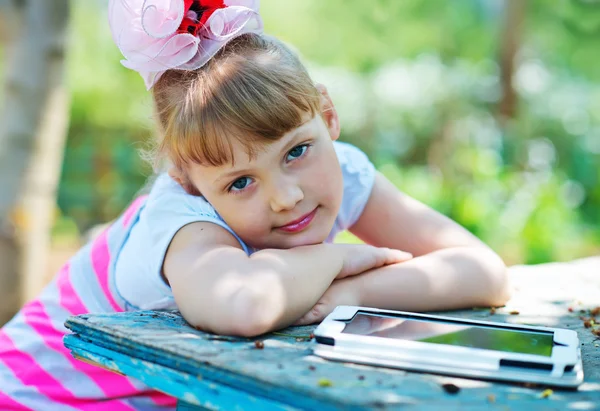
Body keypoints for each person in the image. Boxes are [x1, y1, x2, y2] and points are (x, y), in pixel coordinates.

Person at [0, 0, 511, 409]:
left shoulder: (344, 171)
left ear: (327, 115)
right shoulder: (183, 221)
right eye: (241, 182)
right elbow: (242, 306)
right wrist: (333, 259)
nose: (287, 197)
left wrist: (341, 296)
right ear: (189, 182)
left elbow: (483, 272)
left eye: (297, 151)